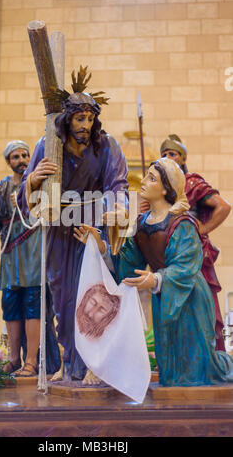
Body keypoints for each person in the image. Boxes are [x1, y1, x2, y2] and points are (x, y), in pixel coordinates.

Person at [77, 158, 233, 387]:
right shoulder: (142, 223)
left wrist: (156, 278)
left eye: (152, 178)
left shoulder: (183, 223)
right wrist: (101, 248)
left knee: (194, 369)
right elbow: (128, 264)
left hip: (188, 297)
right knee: (170, 369)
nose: (144, 181)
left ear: (166, 188)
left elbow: (186, 266)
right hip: (163, 296)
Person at [18, 74, 129, 384]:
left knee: (94, 297)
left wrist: (114, 208)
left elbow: (117, 184)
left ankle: (96, 365)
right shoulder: (47, 145)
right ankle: (70, 364)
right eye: (80, 118)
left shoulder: (106, 146)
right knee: (65, 300)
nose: (86, 124)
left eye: (91, 118)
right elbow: (27, 198)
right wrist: (34, 180)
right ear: (67, 120)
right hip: (58, 234)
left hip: (89, 233)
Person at [0, 140, 60, 377]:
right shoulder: (1, 190)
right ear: (8, 161)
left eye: (25, 155)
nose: (21, 160)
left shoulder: (41, 184)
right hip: (11, 257)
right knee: (11, 305)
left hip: (34, 254)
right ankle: (14, 358)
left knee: (33, 305)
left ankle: (31, 360)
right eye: (16, 157)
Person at [159, 135, 231, 351]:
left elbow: (224, 207)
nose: (168, 157)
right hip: (171, 254)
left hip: (193, 253)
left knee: (200, 303)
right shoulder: (163, 187)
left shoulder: (191, 183)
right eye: (164, 155)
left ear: (182, 158)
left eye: (172, 154)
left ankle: (207, 353)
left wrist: (203, 228)